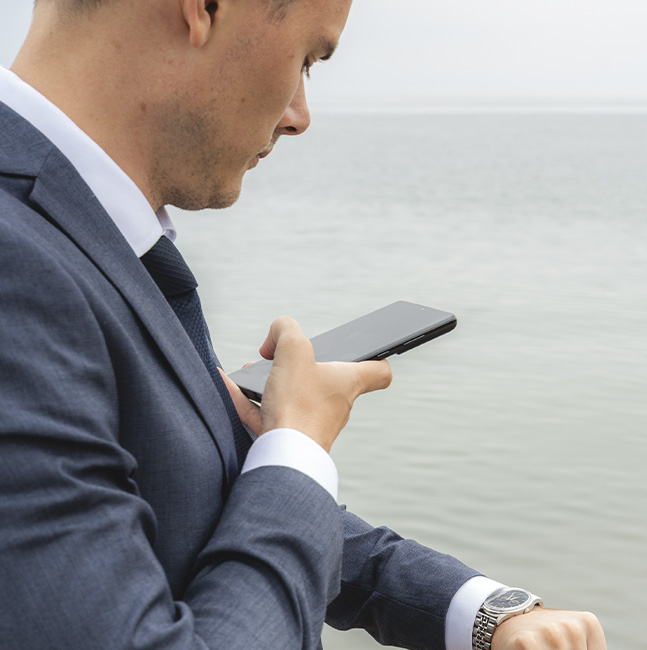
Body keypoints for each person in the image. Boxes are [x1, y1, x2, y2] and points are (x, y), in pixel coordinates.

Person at [0, 1, 607, 649]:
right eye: (309, 59)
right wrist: (299, 448)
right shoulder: (18, 264)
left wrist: (481, 613)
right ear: (202, 9)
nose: (299, 116)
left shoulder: (74, 226)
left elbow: (198, 500)